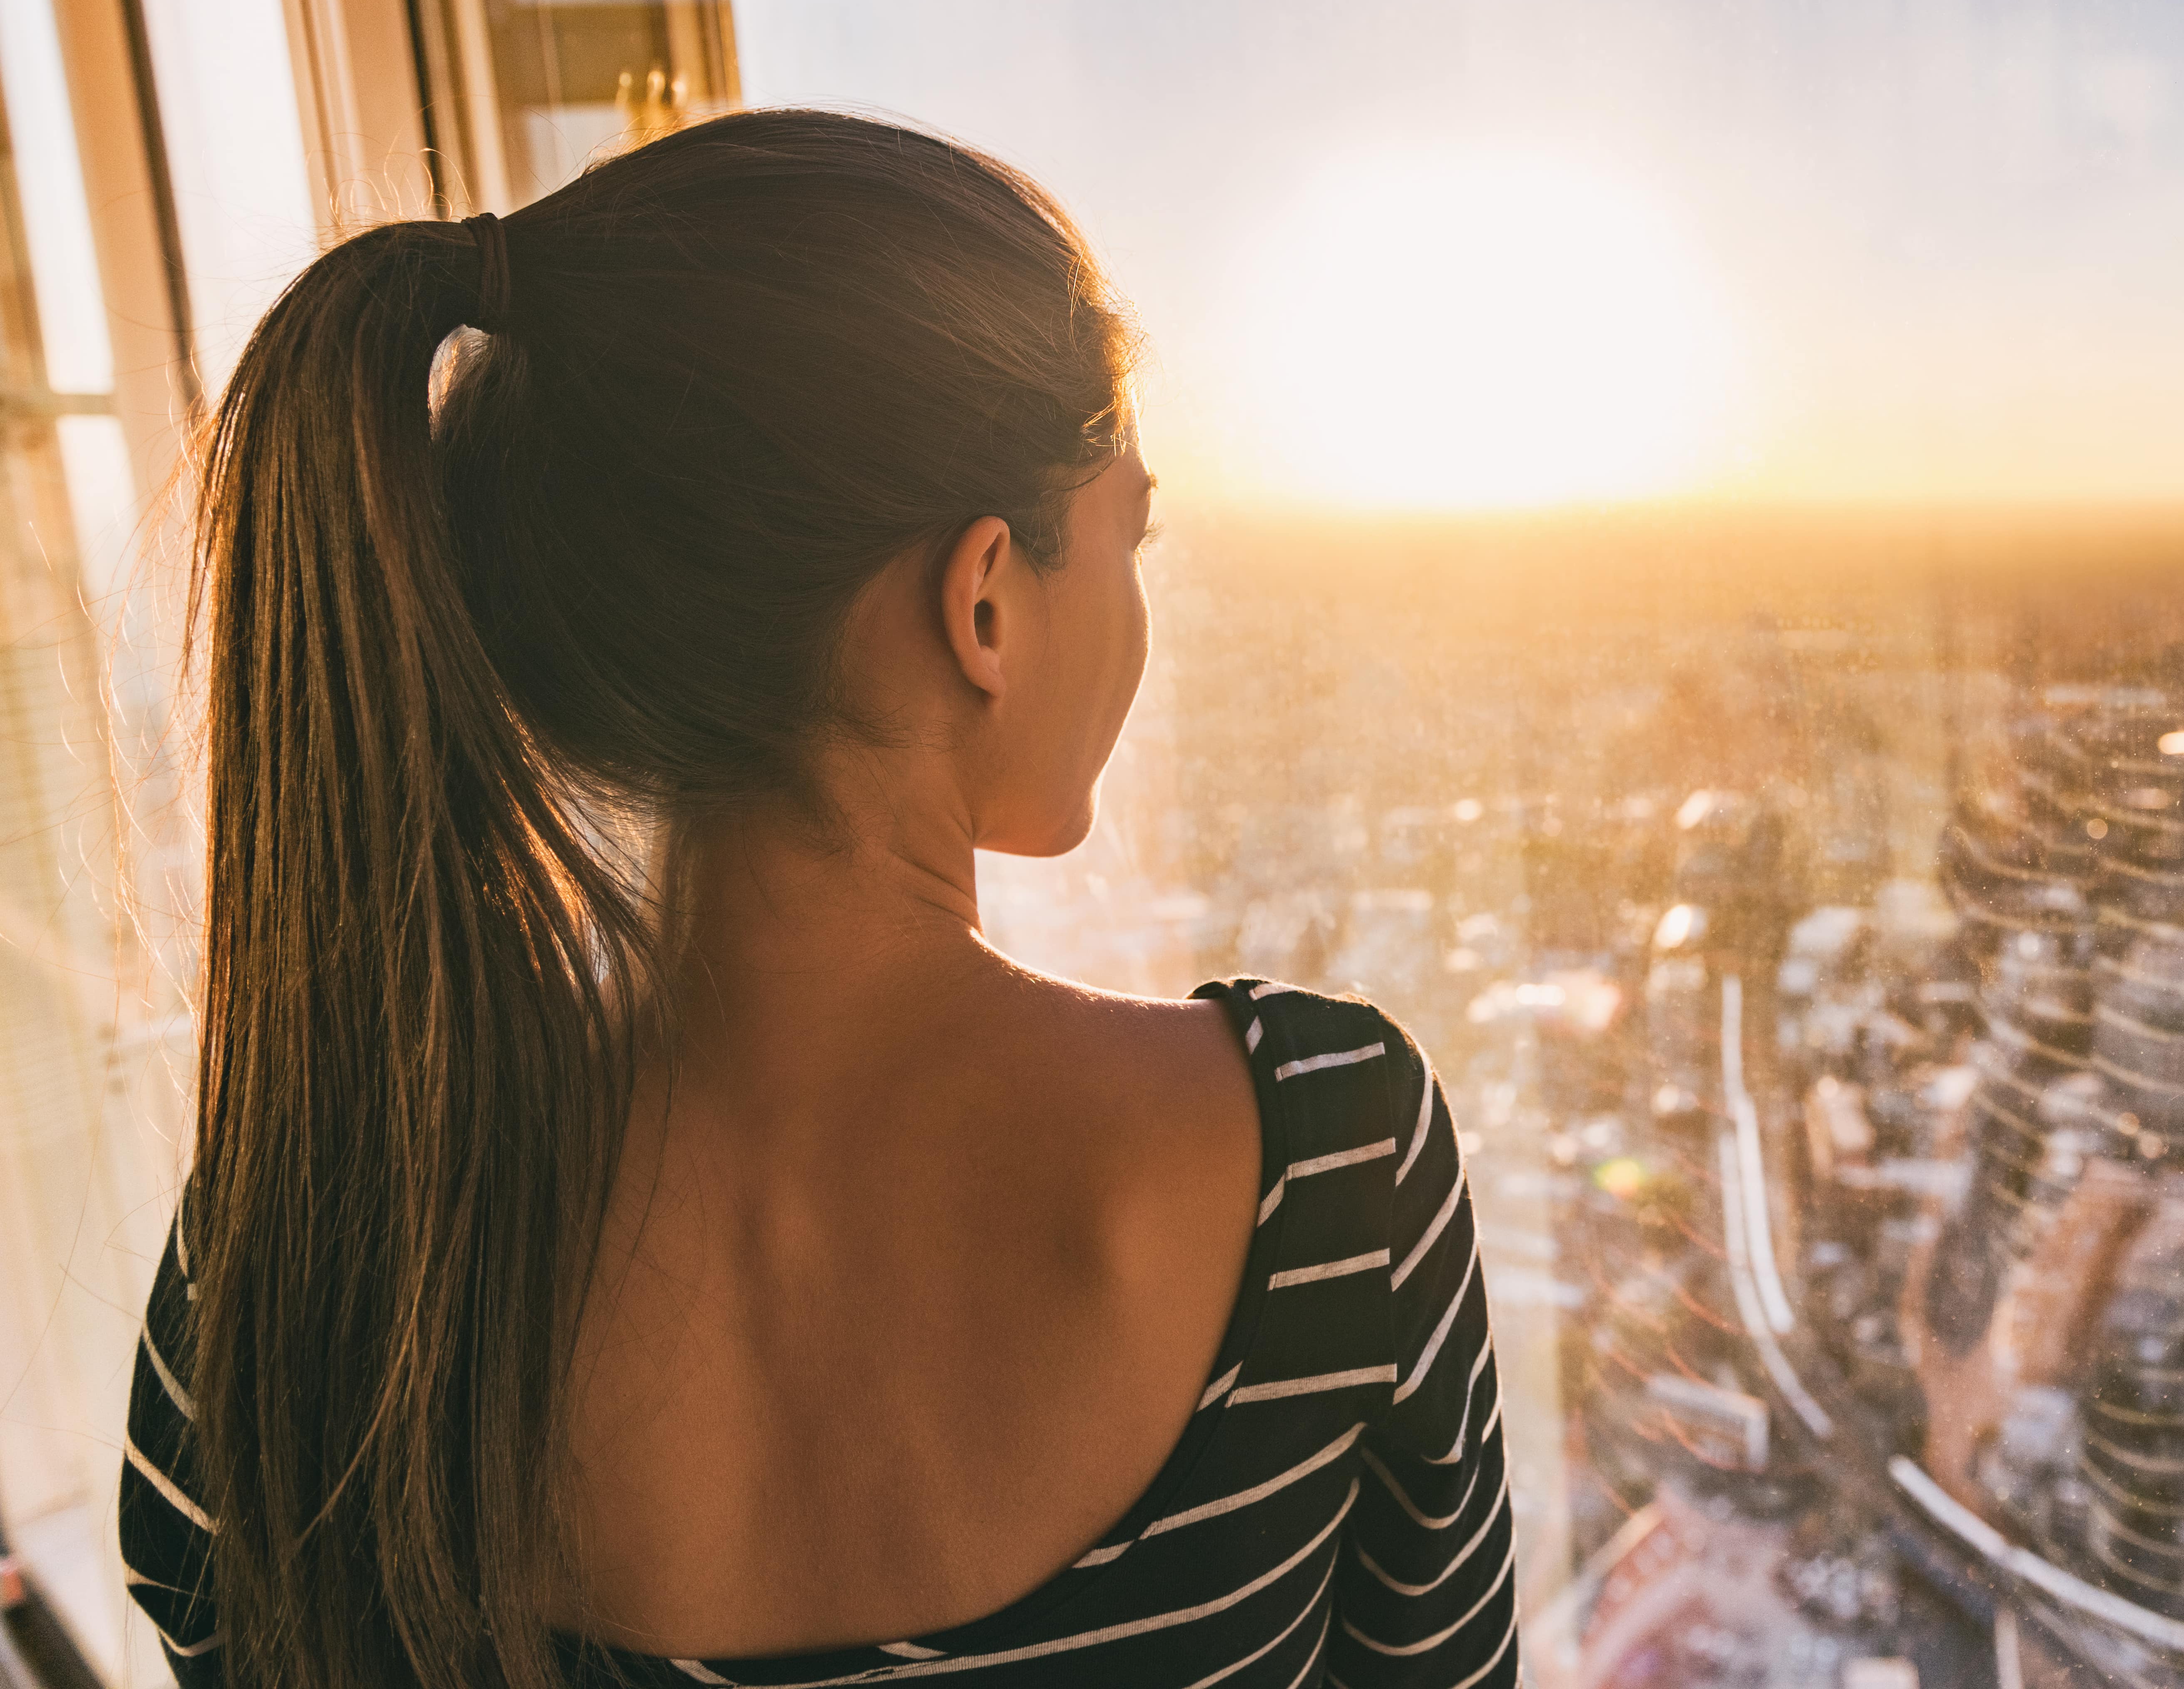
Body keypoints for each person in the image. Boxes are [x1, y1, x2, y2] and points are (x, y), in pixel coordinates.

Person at [119, 110, 1517, 1689]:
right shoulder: (1321, 1169)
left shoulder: (294, 1267)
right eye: (1132, 536)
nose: (1139, 607)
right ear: (983, 598)